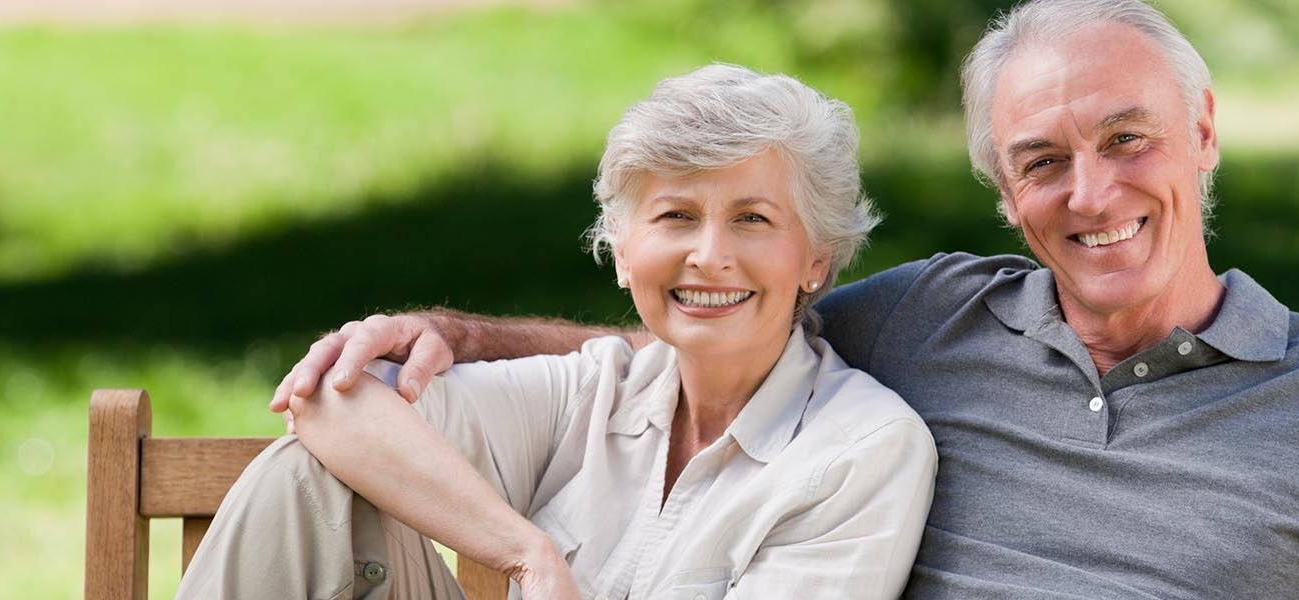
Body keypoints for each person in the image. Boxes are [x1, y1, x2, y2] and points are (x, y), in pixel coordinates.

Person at [271, 0, 1299, 598]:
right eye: (1041, 160)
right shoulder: (933, 319)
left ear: (1204, 135)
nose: (1090, 192)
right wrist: (462, 336)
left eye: (1129, 140)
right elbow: (719, 316)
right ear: (1004, 191)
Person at [179, 64, 936, 599]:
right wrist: (525, 551)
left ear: (815, 258)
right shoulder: (594, 389)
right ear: (622, 252)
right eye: (675, 215)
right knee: (309, 476)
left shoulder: (862, 451)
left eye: (753, 218)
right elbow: (334, 402)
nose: (709, 254)